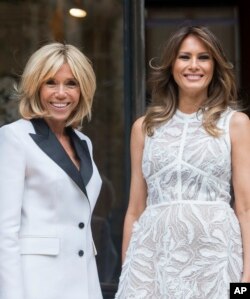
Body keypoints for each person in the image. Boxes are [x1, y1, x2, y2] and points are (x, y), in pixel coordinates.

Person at [115, 26, 250, 298]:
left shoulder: (235, 123)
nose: (194, 65)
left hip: (216, 263)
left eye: (204, 57)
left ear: (215, 66)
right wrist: (127, 273)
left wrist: (246, 282)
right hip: (152, 262)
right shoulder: (144, 128)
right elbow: (135, 209)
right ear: (171, 65)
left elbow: (246, 208)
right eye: (184, 56)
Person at [0, 43, 103, 299]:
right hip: (38, 282)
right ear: (36, 86)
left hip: (84, 280)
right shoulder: (14, 138)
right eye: (50, 83)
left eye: (71, 83)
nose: (61, 93)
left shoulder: (84, 143)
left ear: (83, 89)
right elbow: (5, 232)